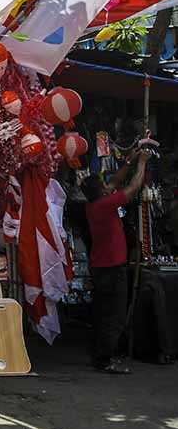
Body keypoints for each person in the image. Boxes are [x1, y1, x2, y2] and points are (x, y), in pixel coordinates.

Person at [82, 149, 150, 374]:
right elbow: (131, 189)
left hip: (102, 267)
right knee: (115, 315)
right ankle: (105, 359)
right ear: (101, 191)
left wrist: (129, 162)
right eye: (104, 185)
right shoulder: (104, 205)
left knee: (103, 313)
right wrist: (141, 165)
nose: (107, 185)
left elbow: (116, 181)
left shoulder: (95, 204)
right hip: (111, 268)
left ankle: (100, 355)